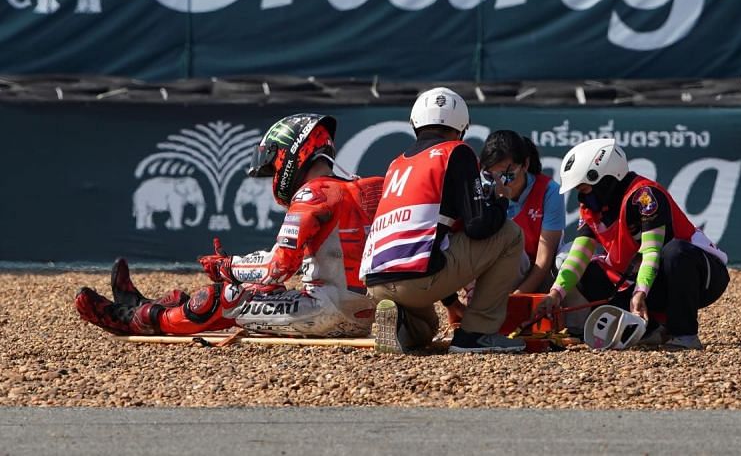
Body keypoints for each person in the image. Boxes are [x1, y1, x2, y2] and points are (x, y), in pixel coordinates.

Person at [75, 113, 383, 338]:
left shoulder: (314, 193)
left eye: (274, 163)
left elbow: (278, 266)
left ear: (292, 154)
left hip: (327, 312)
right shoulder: (361, 188)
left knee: (224, 297)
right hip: (361, 312)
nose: (273, 172)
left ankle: (134, 318)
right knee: (256, 290)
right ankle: (150, 305)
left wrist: (228, 267)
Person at [360, 87, 526, 354]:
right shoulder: (456, 152)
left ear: (415, 123)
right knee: (510, 233)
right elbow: (478, 226)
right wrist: (500, 199)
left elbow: (425, 234)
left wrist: (450, 302)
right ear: (461, 126)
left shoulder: (396, 163)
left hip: (376, 282)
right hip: (417, 281)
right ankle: (476, 334)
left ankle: (402, 324)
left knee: (428, 328)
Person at [535, 138, 730, 349]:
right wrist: (555, 294)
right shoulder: (592, 209)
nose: (581, 197)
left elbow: (652, 252)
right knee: (589, 274)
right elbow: (578, 256)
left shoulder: (645, 196)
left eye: (584, 189)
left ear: (605, 180)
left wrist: (640, 292)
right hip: (652, 280)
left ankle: (684, 334)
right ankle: (652, 329)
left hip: (703, 277)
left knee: (675, 252)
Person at [478, 130, 566, 293]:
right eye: (490, 176)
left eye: (507, 176)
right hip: (498, 277)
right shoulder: (482, 191)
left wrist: (517, 299)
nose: (499, 183)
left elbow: (543, 260)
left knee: (567, 257)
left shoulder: (550, 191)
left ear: (525, 165)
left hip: (542, 275)